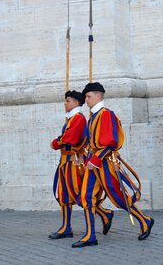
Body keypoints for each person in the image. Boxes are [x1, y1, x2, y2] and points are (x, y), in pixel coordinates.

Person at [72, 82, 154, 248]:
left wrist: (95, 160)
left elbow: (111, 142)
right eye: (86, 97)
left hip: (106, 164)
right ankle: (90, 235)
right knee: (86, 197)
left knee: (118, 197)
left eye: (88, 97)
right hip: (94, 164)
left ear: (98, 96)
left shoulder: (106, 114)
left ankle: (144, 220)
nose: (86, 100)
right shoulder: (93, 116)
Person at [49, 90, 114, 240]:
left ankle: (104, 213)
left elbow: (69, 139)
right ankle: (66, 227)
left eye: (68, 101)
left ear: (76, 103)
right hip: (66, 162)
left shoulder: (78, 118)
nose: (65, 104)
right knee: (64, 194)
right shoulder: (72, 118)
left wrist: (56, 142)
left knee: (80, 194)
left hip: (74, 162)